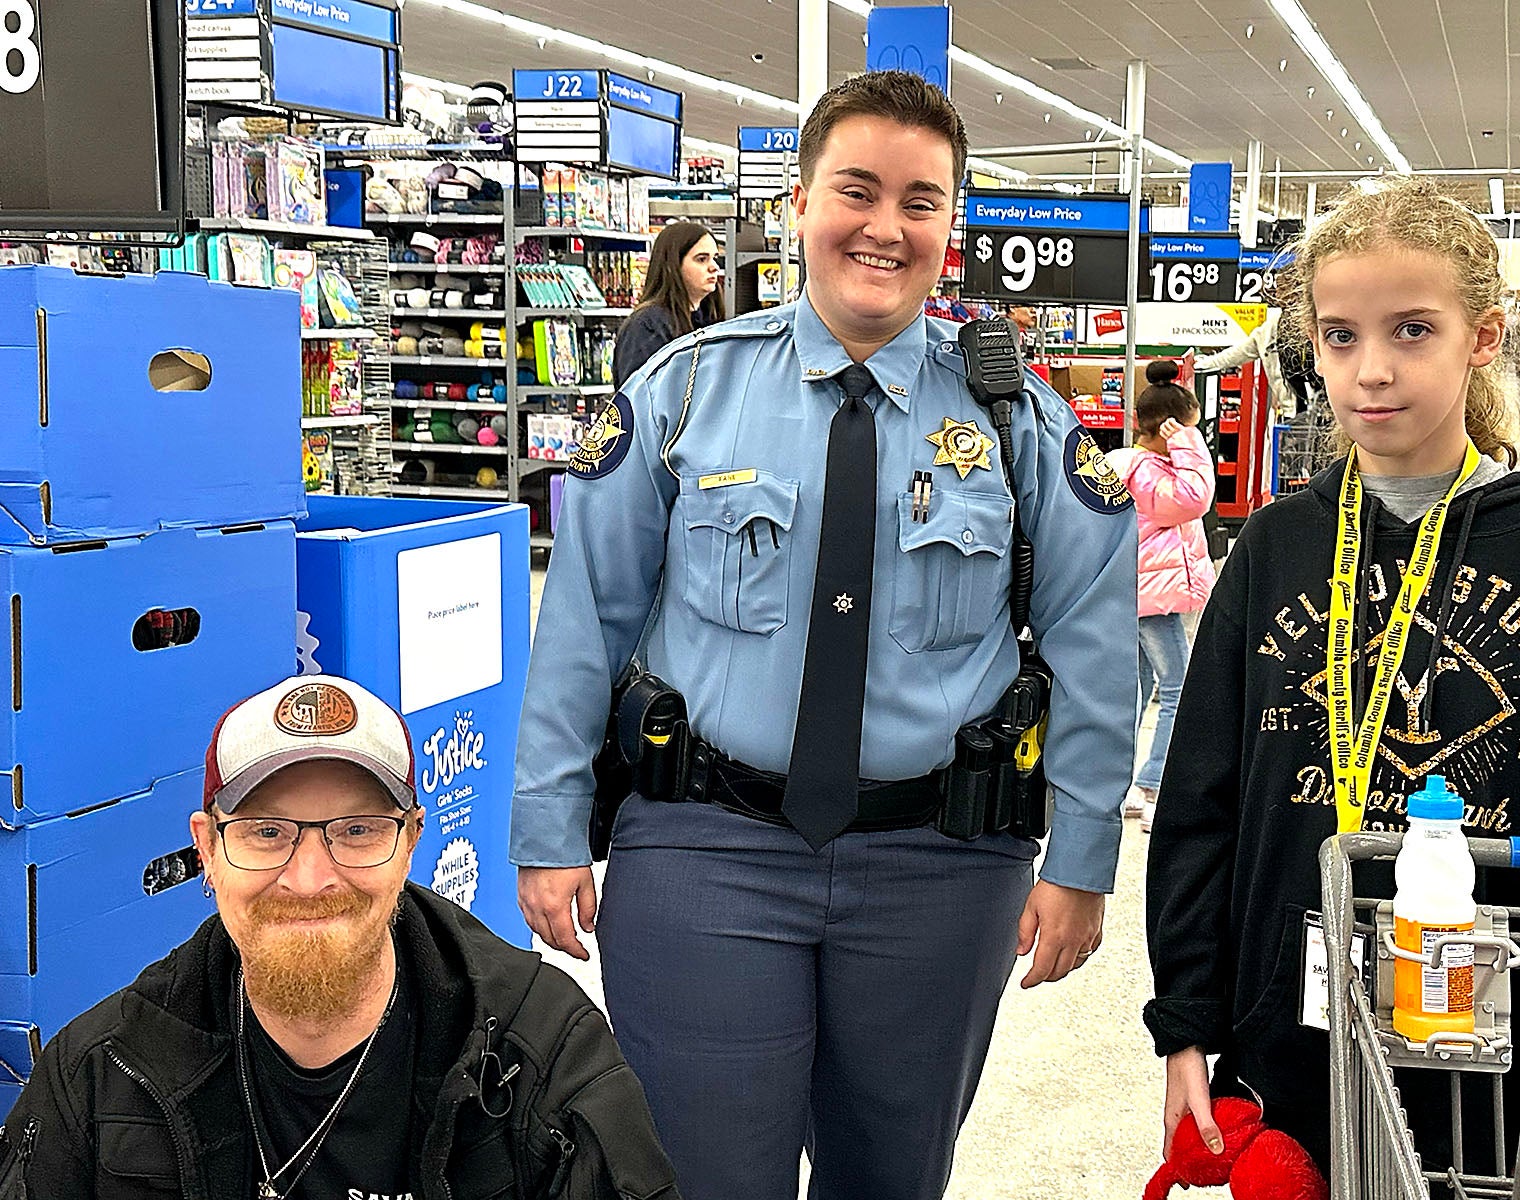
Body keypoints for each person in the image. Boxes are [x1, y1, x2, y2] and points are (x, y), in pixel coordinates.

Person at [512, 70, 1136, 1200]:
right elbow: (586, 617)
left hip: (941, 868)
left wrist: (1084, 857)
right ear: (797, 205)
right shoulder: (685, 394)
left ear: (953, 223)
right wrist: (550, 822)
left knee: (892, 1178)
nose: (886, 227)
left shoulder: (1018, 420)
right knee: (701, 1176)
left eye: (921, 200)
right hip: (708, 852)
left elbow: (1095, 639)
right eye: (857, 190)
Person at [1144, 177, 1520, 1177]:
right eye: (1340, 336)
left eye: (1412, 330)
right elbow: (1201, 805)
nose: (1370, 371)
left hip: (1498, 1054)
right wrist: (1185, 1024)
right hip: (1280, 1034)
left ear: (1485, 337)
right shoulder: (1277, 545)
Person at [0, 674, 680, 1200]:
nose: (309, 877)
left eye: (357, 831)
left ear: (411, 841)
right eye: (267, 832)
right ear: (206, 850)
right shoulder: (102, 1077)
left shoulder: (542, 1058)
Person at [1105, 361, 1216, 833]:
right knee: (1179, 688)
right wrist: (1187, 443)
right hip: (1149, 599)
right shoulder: (1148, 471)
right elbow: (1195, 499)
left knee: (1138, 689)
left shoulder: (1136, 465)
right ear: (1170, 429)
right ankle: (1153, 786)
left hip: (1138, 593)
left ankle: (1121, 788)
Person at [612, 221, 724, 387]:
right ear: (673, 265)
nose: (714, 267)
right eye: (701, 259)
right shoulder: (647, 326)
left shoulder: (709, 318)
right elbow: (637, 397)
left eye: (714, 258)